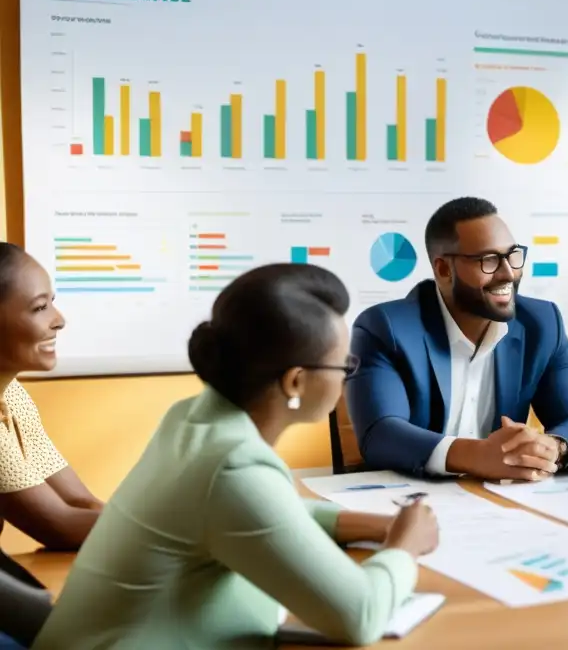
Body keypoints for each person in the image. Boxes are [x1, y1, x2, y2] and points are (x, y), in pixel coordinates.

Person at [35, 264, 439, 649]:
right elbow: (360, 616)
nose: (346, 376)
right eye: (343, 364)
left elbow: (263, 512)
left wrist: (364, 523)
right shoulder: (233, 467)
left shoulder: (196, 419)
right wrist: (405, 547)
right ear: (295, 381)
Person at [345, 197, 568, 480]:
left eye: (512, 255)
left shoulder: (542, 323)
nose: (508, 273)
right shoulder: (386, 328)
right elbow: (380, 434)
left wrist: (553, 447)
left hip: (501, 499)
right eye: (488, 261)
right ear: (442, 270)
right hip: (414, 500)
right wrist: (476, 456)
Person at [0, 243, 102, 551]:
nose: (59, 320)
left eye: (52, 303)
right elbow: (61, 526)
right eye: (40, 307)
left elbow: (79, 502)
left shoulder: (13, 395)